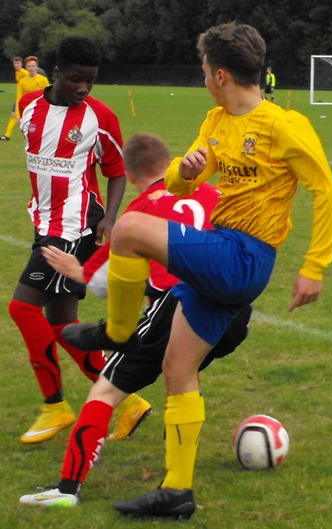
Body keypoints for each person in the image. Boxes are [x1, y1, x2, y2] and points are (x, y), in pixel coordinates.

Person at [23, 21, 332, 517]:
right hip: (219, 252)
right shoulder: (217, 122)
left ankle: (117, 330)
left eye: (202, 69)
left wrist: (315, 266)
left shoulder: (283, 125)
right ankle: (176, 492)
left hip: (247, 254)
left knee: (128, 230)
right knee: (177, 368)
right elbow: (182, 185)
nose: (202, 76)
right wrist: (183, 171)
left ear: (218, 74)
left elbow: (327, 191)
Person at [19, 132, 252, 507]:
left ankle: (66, 491)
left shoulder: (139, 212)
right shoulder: (212, 194)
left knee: (105, 391)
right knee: (186, 374)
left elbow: (100, 282)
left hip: (174, 303)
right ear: (170, 160)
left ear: (128, 173)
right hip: (235, 307)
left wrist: (77, 270)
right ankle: (178, 474)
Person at [8, 36, 129, 445]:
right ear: (55, 73)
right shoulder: (28, 107)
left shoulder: (101, 117)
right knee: (61, 322)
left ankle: (54, 405)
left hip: (76, 228)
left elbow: (117, 169)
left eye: (90, 82)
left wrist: (110, 217)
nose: (83, 88)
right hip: (46, 223)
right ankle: (129, 403)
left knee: (22, 308)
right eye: (76, 79)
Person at [0, 57, 28, 141]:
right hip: (19, 97)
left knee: (22, 116)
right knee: (14, 115)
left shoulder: (24, 73)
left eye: (18, 63)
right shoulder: (17, 72)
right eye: (14, 63)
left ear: (21, 64)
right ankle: (7, 135)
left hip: (25, 99)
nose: (16, 65)